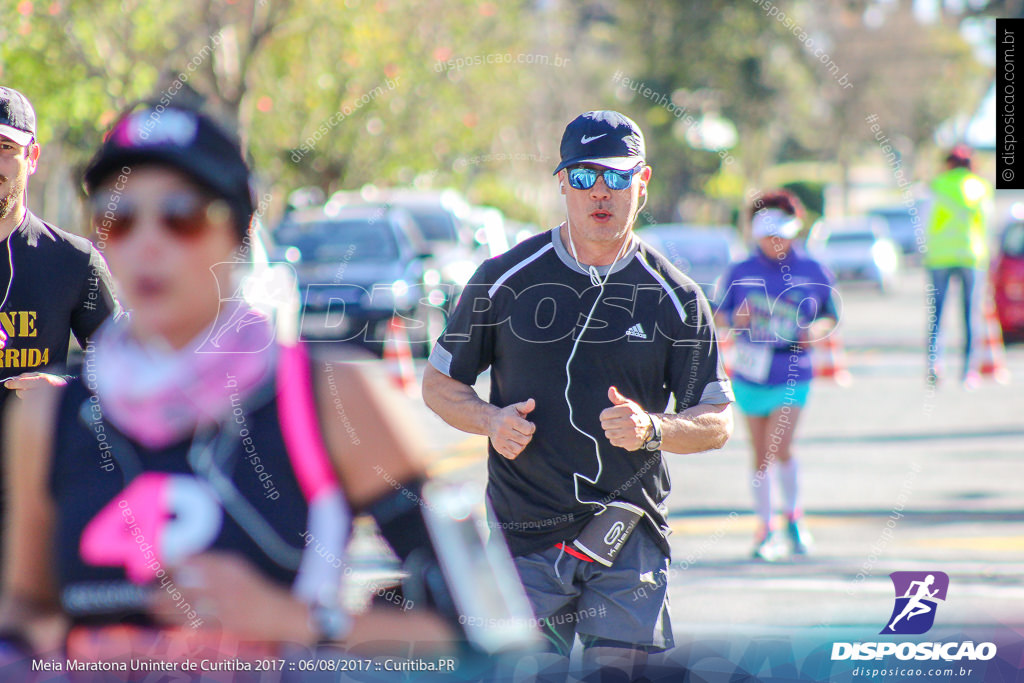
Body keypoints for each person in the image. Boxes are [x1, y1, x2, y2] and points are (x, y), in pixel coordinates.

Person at [0, 104, 462, 667]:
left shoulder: (332, 398)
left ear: (237, 233)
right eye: (120, 217)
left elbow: (481, 628)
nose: (147, 242)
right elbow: (25, 614)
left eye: (180, 215)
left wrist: (293, 621)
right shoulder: (48, 419)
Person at [422, 110, 734, 680]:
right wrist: (489, 420)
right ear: (561, 181)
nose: (601, 191)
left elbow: (717, 418)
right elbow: (439, 384)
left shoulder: (677, 298)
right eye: (585, 175)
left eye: (617, 177)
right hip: (524, 537)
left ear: (643, 183)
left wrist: (654, 429)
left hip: (626, 535)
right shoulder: (503, 279)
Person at [0, 86, 122, 539]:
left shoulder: (73, 261)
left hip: (33, 500)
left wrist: (63, 390)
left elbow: (130, 373)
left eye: (5, 149)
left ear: (32, 157)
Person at [715, 191, 838, 561]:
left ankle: (793, 519)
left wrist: (816, 330)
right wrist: (735, 321)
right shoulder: (741, 271)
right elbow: (720, 315)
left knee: (778, 445)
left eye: (781, 235)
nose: (775, 243)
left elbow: (830, 313)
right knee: (760, 452)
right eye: (768, 237)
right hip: (751, 371)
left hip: (793, 370)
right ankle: (767, 527)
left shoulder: (813, 269)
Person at [924, 145, 993, 388]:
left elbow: (925, 218)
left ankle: (935, 364)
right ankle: (968, 371)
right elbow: (986, 222)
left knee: (937, 315)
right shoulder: (980, 186)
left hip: (940, 256)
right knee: (969, 315)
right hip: (970, 256)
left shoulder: (938, 184)